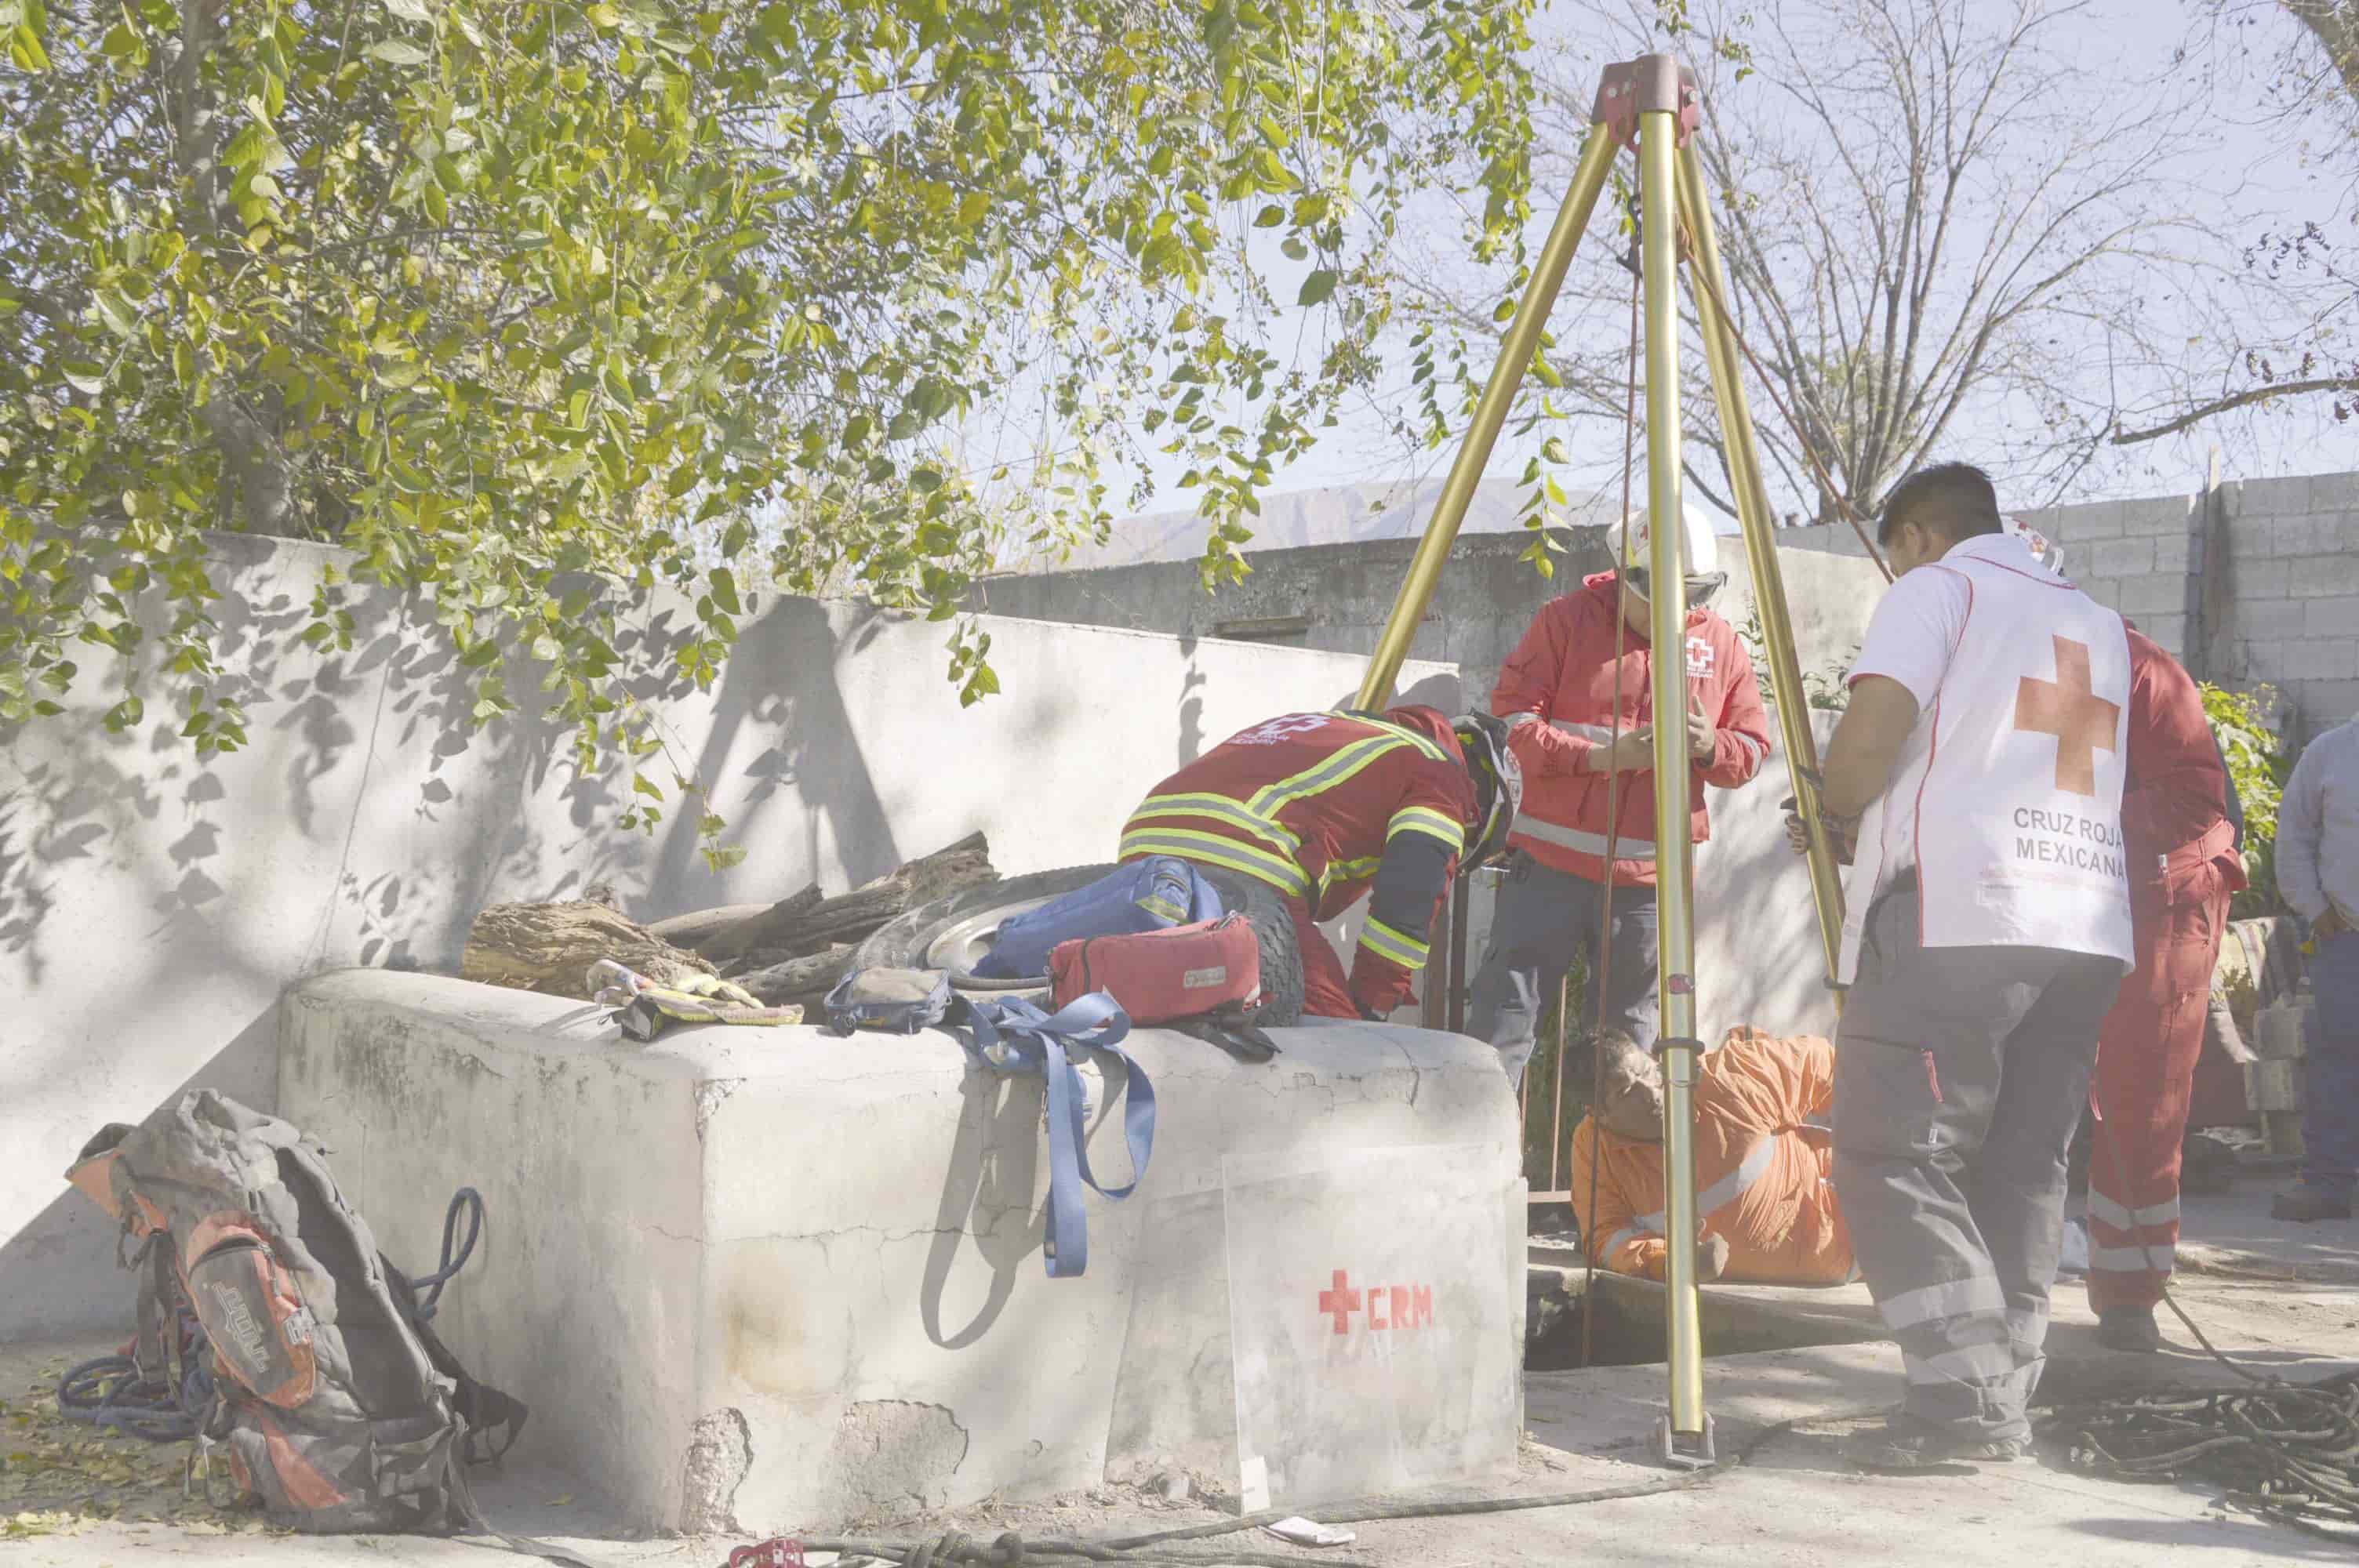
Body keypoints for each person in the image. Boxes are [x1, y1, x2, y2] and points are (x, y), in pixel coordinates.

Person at [1803, 463, 2134, 1471]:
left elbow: (1865, 746)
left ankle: (1963, 1402)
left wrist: (1828, 804)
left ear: (1911, 534)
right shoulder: (2096, 621)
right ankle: (2002, 1385)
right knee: (2020, 1161)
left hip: (1958, 914)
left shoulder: (1935, 589)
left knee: (1889, 1150)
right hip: (2080, 923)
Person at [1993, 521, 2248, 1350]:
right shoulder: (1993, 668)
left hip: (2162, 899)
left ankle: (2130, 1292)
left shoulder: (2139, 669)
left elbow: (2195, 804)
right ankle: (2002, 1278)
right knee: (2018, 1087)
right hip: (2071, 890)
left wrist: (2070, 827)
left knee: (2141, 1098)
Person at [1467, 504, 1772, 1085]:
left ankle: (1615, 1172)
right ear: (1625, 573)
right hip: (1550, 872)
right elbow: (1511, 724)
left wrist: (1711, 746)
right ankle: (1483, 1159)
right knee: (1503, 1025)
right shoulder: (1566, 622)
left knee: (1630, 1048)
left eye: (1697, 592)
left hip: (1646, 888)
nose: (1681, 608)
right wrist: (1603, 759)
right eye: (1662, 591)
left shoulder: (1721, 644)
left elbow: (1754, 748)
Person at [1118, 706, 1520, 1022]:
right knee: (1335, 1049)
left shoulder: (1336, 729)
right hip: (1242, 862)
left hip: (1143, 847)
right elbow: (1409, 897)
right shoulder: (1441, 775)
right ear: (1482, 811)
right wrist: (1369, 1006)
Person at [1571, 1026, 1853, 1287]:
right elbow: (1606, 1237)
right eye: (1627, 1091)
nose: (1651, 1093)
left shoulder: (1729, 1076)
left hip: (1866, 1234)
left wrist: (1887, 1135)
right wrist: (1672, 1265)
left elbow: (1825, 1064)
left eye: (1648, 1072)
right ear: (1598, 1114)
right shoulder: (1594, 1149)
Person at [2273, 713, 2359, 1221]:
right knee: (2335, 1061)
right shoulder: (2329, 753)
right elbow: (2295, 837)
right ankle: (2328, 1181)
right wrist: (2316, 911)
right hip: (2345, 940)